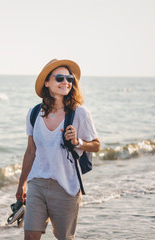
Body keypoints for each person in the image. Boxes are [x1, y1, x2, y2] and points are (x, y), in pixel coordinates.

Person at [16, 59, 101, 240]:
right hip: (37, 183)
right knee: (30, 236)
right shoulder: (34, 113)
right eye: (60, 77)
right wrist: (21, 183)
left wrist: (78, 142)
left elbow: (96, 145)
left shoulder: (80, 113)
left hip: (66, 186)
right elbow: (31, 151)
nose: (66, 82)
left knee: (64, 238)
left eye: (69, 78)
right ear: (46, 83)